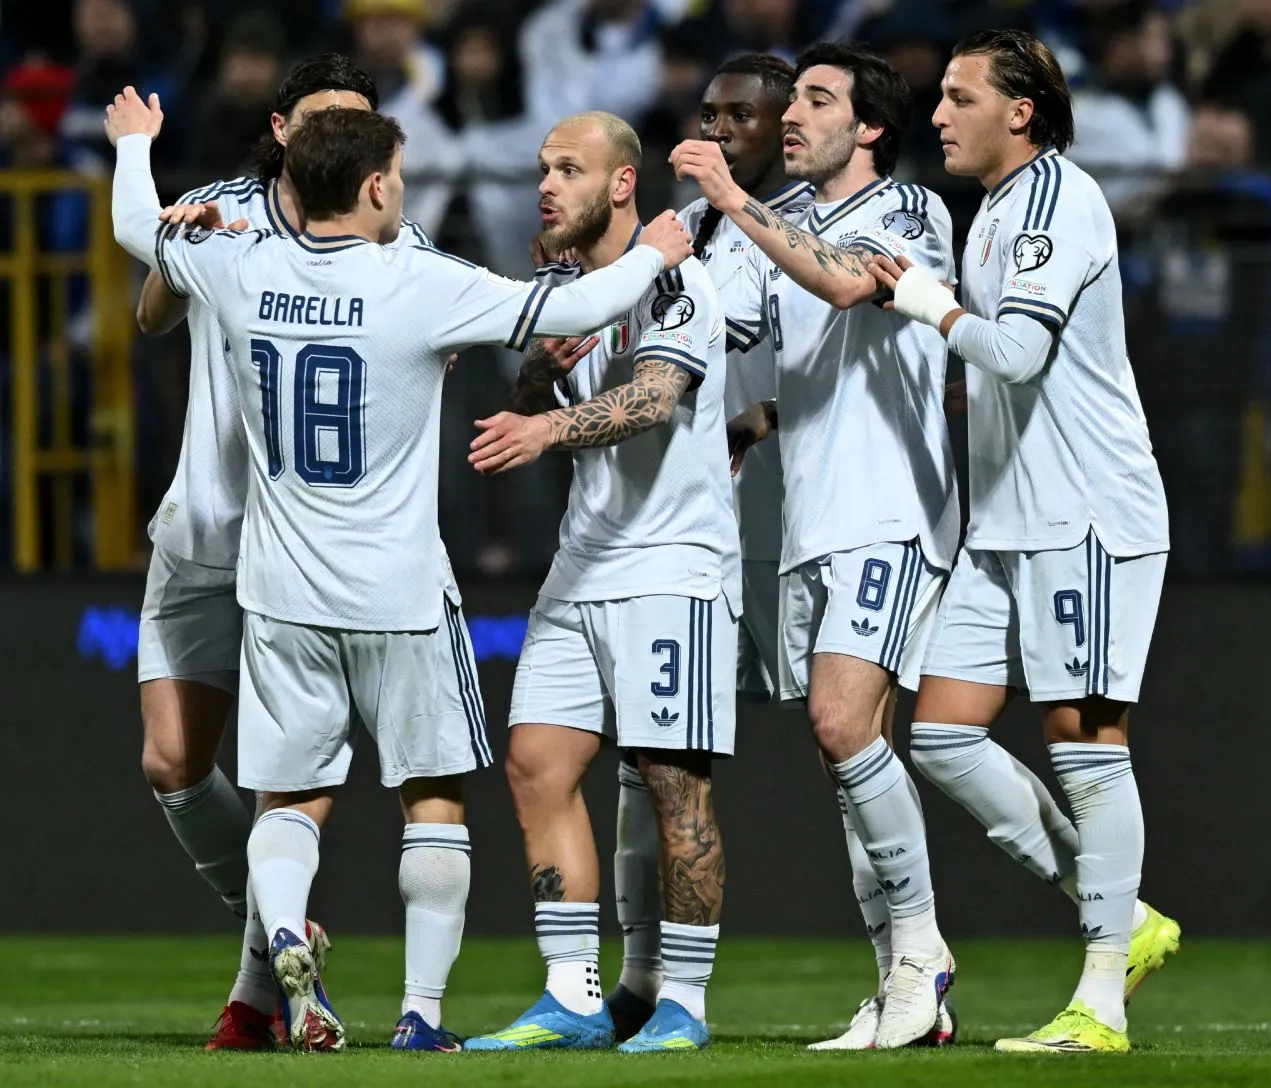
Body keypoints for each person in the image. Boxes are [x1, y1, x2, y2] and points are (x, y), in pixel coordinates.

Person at [108, 92, 694, 1052]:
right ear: (377, 185)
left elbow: (138, 228)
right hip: (401, 595)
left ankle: (288, 934)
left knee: (290, 799)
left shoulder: (239, 264)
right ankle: (421, 1014)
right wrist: (656, 255)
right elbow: (585, 302)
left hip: (281, 594)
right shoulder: (417, 280)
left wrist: (135, 147)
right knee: (432, 796)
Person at [869, 29, 1183, 1054]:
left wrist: (915, 294)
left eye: (960, 97)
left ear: (1022, 111)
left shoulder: (1058, 200)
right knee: (946, 732)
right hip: (1007, 518)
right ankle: (1121, 912)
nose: (941, 114)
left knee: (1086, 743)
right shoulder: (995, 209)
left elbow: (1012, 350)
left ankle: (1102, 999)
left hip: (1085, 513)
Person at [123, 55, 444, 1053]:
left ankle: (260, 984)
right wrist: (186, 262)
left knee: (280, 782)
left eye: (354, 124)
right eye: (318, 123)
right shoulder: (220, 205)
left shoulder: (395, 231)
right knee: (172, 760)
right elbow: (149, 312)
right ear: (278, 129)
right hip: (200, 523)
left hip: (296, 549)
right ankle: (272, 922)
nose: (333, 143)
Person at [669, 41, 960, 1051]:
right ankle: (900, 989)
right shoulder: (770, 226)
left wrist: (732, 204)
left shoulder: (911, 209)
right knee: (848, 760)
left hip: (892, 510)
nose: (790, 117)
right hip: (809, 523)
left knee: (843, 723)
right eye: (789, 103)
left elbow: (848, 286)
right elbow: (721, 331)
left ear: (869, 127)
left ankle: (923, 949)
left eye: (816, 102)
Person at [460, 110, 735, 1055]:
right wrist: (539, 378)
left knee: (672, 783)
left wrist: (540, 432)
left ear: (622, 184)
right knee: (536, 763)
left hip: (672, 565)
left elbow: (655, 397)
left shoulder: (679, 286)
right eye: (542, 167)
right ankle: (573, 997)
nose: (546, 186)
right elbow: (533, 391)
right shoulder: (567, 293)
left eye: (568, 169)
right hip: (584, 562)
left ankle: (684, 1004)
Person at [599, 51, 813, 1046]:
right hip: (694, 519)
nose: (719, 129)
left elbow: (834, 359)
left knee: (857, 741)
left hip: (797, 518)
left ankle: (913, 959)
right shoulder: (690, 231)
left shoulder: (812, 226)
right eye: (710, 113)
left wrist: (762, 421)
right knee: (650, 757)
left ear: (785, 129)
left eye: (743, 115)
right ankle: (643, 981)